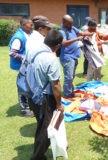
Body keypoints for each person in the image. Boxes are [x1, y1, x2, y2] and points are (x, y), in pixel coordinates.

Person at [28, 30, 64, 160]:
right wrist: (59, 104)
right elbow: (56, 85)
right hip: (44, 97)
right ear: (57, 45)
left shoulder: (32, 50)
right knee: (46, 128)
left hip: (31, 92)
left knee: (42, 123)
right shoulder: (51, 59)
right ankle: (37, 156)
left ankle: (57, 145)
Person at [59, 14, 93, 98]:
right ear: (64, 23)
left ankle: (70, 92)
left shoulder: (73, 28)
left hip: (74, 56)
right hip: (67, 57)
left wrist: (90, 33)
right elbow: (63, 43)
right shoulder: (62, 31)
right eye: (69, 24)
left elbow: (81, 32)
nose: (71, 26)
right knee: (69, 77)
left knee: (72, 76)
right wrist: (76, 39)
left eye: (72, 24)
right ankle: (67, 94)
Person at [9, 16, 33, 117]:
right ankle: (24, 111)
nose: (32, 26)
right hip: (20, 66)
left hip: (26, 66)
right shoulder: (18, 37)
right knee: (23, 87)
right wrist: (25, 58)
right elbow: (12, 53)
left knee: (28, 85)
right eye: (30, 24)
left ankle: (29, 106)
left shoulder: (27, 34)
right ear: (23, 25)